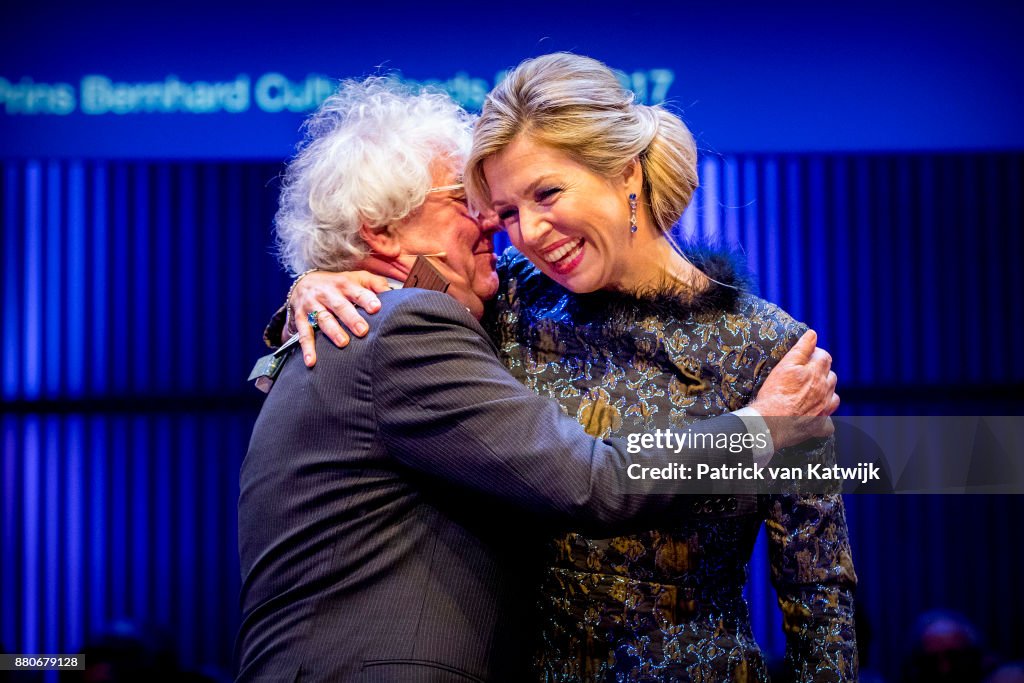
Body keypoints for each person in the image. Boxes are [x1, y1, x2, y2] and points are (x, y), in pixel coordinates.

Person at [238, 77, 839, 682]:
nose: (518, 232)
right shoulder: (510, 305)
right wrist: (311, 283)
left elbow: (818, 586)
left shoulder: (770, 349)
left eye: (547, 193)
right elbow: (591, 479)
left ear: (626, 172)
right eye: (501, 211)